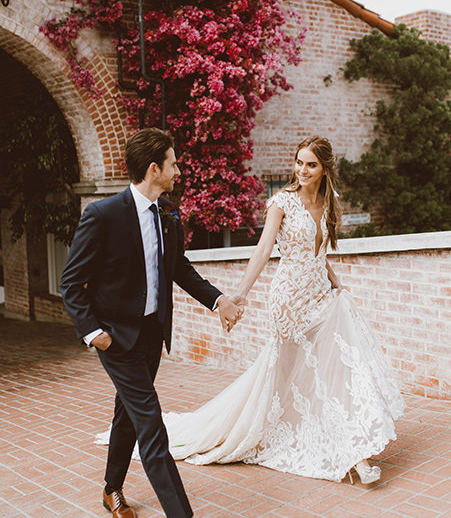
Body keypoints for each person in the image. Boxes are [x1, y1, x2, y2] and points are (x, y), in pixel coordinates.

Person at [153, 135, 404, 484]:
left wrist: (335, 281)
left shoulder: (329, 204)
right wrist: (238, 294)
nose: (302, 170)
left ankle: (356, 453)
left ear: (324, 168)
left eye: (311, 164)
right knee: (285, 376)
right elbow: (263, 249)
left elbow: (319, 251)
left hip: (322, 297)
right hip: (289, 301)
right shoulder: (282, 202)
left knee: (338, 371)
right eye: (299, 162)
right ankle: (272, 431)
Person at [61, 127, 243, 518]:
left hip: (150, 335)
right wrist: (93, 333)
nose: (179, 171)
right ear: (153, 169)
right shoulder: (103, 215)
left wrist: (218, 302)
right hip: (116, 339)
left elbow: (179, 268)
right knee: (150, 423)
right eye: (174, 163)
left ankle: (111, 490)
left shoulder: (168, 214)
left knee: (127, 414)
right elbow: (72, 282)